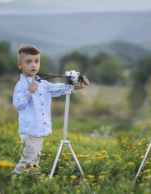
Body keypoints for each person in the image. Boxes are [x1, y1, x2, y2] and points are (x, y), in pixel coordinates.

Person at [13, 44, 89, 174]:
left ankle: (32, 177)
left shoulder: (43, 84)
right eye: (28, 62)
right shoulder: (21, 85)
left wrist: (77, 86)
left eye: (36, 61)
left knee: (35, 156)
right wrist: (29, 91)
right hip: (30, 129)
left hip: (39, 129)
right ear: (20, 65)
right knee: (29, 158)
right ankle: (16, 177)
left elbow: (58, 88)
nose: (33, 65)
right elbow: (18, 104)